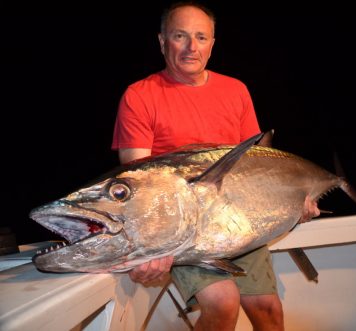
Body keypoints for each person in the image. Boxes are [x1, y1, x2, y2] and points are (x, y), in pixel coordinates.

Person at [111, 2, 320, 330]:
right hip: (188, 231)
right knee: (224, 303)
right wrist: (145, 250)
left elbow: (259, 166)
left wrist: (293, 203)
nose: (192, 47)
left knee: (268, 310)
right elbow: (139, 186)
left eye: (201, 37)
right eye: (180, 36)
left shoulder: (235, 90)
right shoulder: (140, 96)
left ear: (212, 44)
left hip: (239, 221)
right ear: (162, 41)